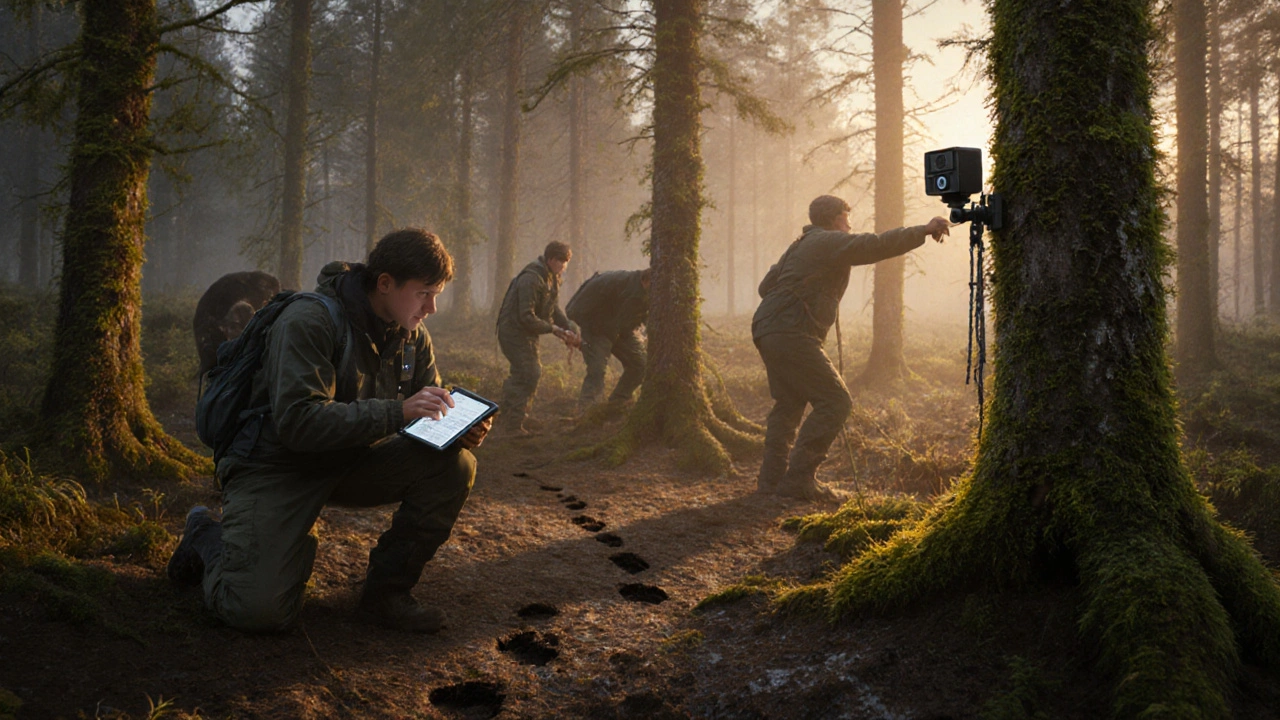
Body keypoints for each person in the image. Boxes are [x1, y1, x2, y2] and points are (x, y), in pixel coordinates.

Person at [167, 228, 489, 634]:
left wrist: (456, 428)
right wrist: (397, 412)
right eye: (424, 293)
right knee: (255, 612)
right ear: (385, 283)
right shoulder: (310, 320)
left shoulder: (411, 336)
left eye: (437, 294)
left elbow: (424, 407)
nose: (433, 308)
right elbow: (299, 423)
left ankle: (386, 596)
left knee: (455, 465)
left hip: (347, 459)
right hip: (274, 465)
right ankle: (206, 535)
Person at [753, 196, 949, 501]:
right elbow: (874, 245)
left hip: (768, 328)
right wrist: (922, 230)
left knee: (789, 402)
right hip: (791, 331)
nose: (849, 225)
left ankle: (772, 480)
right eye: (846, 218)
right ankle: (799, 479)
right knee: (836, 401)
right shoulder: (827, 240)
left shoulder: (800, 244)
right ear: (834, 220)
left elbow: (765, 287)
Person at [495, 241, 580, 435]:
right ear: (550, 259)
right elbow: (526, 316)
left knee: (523, 372)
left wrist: (569, 326)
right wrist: (553, 329)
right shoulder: (531, 279)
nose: (564, 266)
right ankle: (513, 424)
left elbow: (552, 308)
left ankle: (514, 415)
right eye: (561, 261)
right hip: (513, 332)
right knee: (529, 372)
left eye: (566, 262)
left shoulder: (551, 277)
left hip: (526, 333)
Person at [566, 268, 650, 408]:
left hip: (622, 331)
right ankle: (588, 411)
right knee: (597, 370)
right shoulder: (614, 281)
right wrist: (579, 329)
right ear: (645, 280)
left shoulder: (652, 292)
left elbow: (648, 318)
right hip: (596, 329)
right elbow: (575, 308)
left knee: (640, 365)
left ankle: (617, 404)